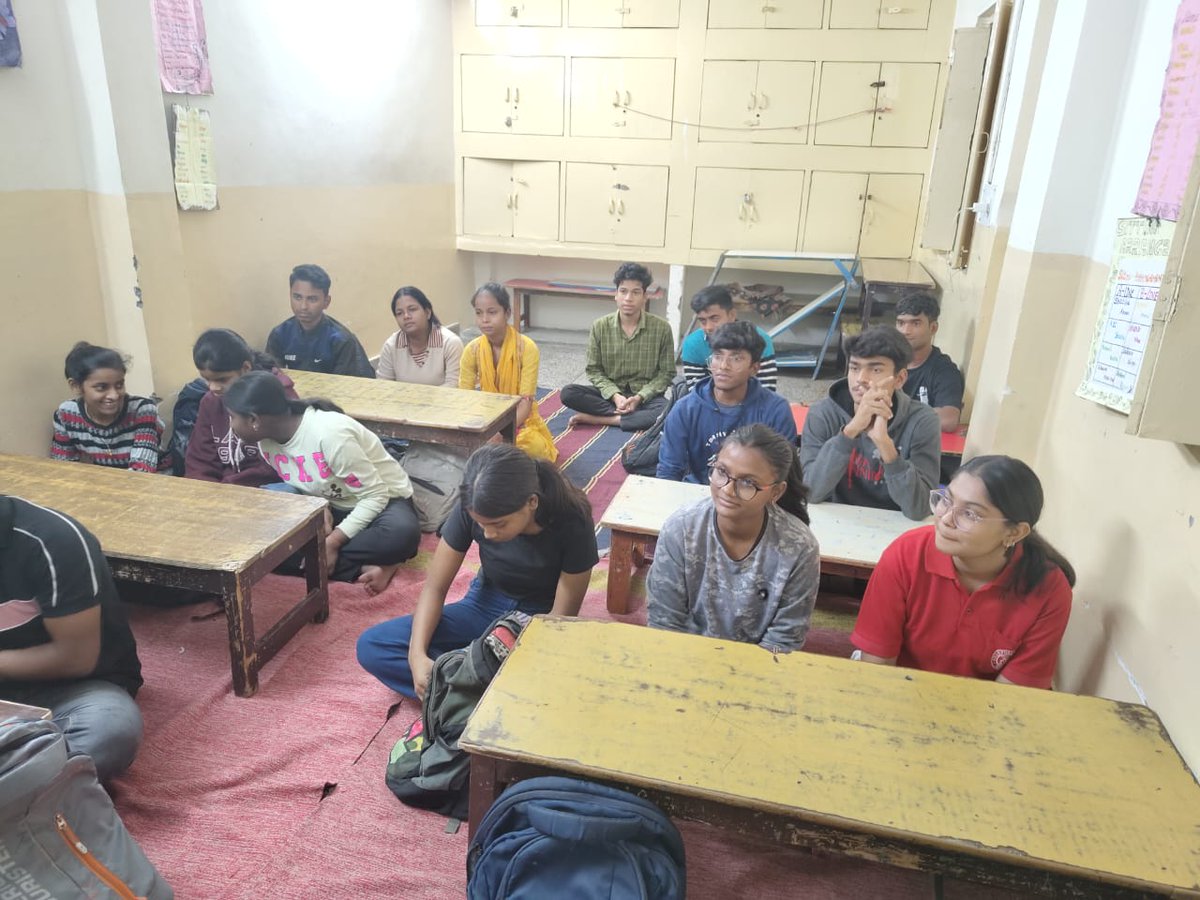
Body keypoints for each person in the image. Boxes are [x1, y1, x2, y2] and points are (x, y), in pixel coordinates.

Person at [357, 443, 598, 699]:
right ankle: (481, 689)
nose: (488, 534)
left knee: (556, 677)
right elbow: (435, 589)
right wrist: (417, 657)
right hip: (484, 603)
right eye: (481, 524)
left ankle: (461, 689)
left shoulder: (573, 520)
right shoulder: (472, 507)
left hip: (536, 617)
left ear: (531, 502)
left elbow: (559, 621)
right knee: (373, 646)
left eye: (498, 524)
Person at [850, 455, 1075, 689]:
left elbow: (1011, 697)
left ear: (1015, 533)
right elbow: (877, 668)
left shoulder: (1049, 591)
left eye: (970, 514)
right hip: (899, 689)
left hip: (981, 708)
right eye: (946, 500)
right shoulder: (906, 554)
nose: (945, 519)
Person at [222, 371, 420, 593]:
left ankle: (334, 559)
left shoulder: (330, 435)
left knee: (401, 535)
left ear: (253, 419)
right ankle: (367, 566)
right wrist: (317, 504)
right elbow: (304, 479)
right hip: (333, 504)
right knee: (261, 543)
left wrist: (333, 541)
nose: (231, 425)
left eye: (232, 417)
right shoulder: (266, 442)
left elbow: (376, 495)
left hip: (383, 504)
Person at [0, 496, 144, 781]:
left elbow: (75, 658)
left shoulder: (53, 540)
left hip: (68, 688)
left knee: (110, 731)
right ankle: (26, 787)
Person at [647, 425, 819, 652]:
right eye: (721, 472)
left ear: (775, 492)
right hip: (683, 656)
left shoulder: (799, 547)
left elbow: (784, 639)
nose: (728, 490)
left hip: (759, 669)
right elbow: (664, 623)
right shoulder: (681, 530)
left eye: (748, 483)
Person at [800, 326, 940, 520]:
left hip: (895, 525)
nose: (860, 379)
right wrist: (850, 431)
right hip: (835, 521)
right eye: (854, 368)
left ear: (899, 379)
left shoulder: (922, 420)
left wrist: (885, 445)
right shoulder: (823, 414)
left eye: (875, 369)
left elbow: (920, 508)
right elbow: (811, 492)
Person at [657, 322, 795, 483]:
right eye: (718, 356)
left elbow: (783, 473)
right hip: (698, 492)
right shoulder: (685, 409)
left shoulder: (776, 410)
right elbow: (668, 471)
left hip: (753, 496)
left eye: (736, 358)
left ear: (754, 368)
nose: (723, 366)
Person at [560, 262, 676, 431]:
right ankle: (626, 416)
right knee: (568, 393)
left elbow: (666, 373)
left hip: (645, 398)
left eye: (636, 292)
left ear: (645, 296)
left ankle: (601, 419)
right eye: (623, 291)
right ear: (616, 294)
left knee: (669, 411)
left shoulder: (662, 328)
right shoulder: (600, 326)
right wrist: (615, 396)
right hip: (610, 397)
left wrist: (639, 397)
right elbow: (593, 370)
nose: (628, 298)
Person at [185, 328, 296, 487]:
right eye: (206, 380)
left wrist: (229, 487)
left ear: (246, 368)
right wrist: (206, 490)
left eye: (222, 379)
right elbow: (199, 460)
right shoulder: (210, 402)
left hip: (271, 485)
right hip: (224, 488)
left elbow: (282, 462)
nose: (213, 387)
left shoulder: (276, 395)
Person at [459, 283, 557, 462]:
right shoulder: (472, 350)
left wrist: (499, 435)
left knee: (533, 449)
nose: (485, 319)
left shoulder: (526, 348)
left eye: (492, 312)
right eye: (479, 313)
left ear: (508, 313)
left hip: (520, 421)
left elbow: (525, 403)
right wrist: (481, 431)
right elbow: (465, 398)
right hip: (485, 419)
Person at [51, 342, 168, 473]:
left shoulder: (142, 410)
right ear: (76, 386)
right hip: (106, 482)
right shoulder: (66, 414)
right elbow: (62, 466)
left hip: (157, 479)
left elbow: (142, 471)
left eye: (119, 385)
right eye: (101, 387)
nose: (114, 395)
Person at [265, 263, 375, 378]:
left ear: (326, 302)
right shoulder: (279, 335)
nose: (303, 306)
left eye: (312, 299)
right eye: (297, 297)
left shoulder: (341, 341)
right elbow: (272, 380)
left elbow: (350, 387)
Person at [680, 284, 779, 391]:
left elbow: (767, 388)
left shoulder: (759, 339)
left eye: (714, 319)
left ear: (732, 315)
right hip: (708, 404)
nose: (708, 327)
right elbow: (696, 391)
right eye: (702, 321)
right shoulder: (693, 344)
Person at [895, 293, 965, 432]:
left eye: (915, 323)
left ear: (933, 328)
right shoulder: (886, 361)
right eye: (901, 323)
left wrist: (891, 413)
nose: (905, 331)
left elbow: (948, 420)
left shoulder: (944, 371)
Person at [376, 286, 464, 387]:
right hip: (402, 402)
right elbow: (383, 386)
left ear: (427, 312)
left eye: (412, 309)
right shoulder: (391, 346)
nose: (406, 316)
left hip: (443, 402)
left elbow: (454, 386)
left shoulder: (450, 343)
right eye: (399, 313)